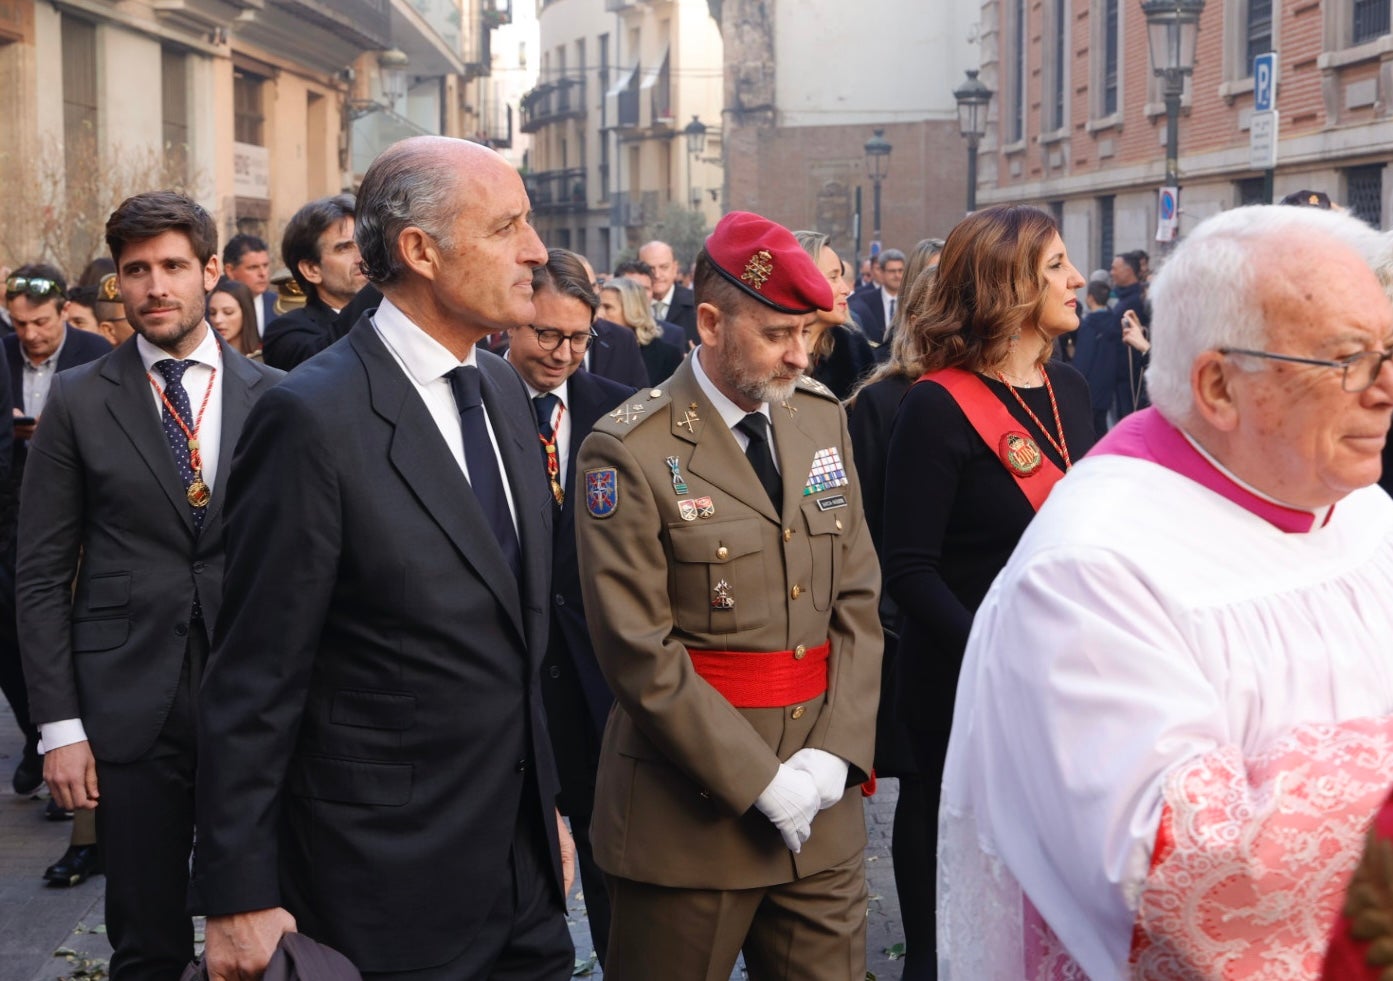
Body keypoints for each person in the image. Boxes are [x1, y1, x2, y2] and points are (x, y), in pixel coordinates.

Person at [937, 203, 1393, 979]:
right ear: (1217, 385)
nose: (1383, 389)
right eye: (1347, 359)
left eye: (1388, 350)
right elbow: (1186, 876)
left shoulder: (1360, 510)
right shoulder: (1091, 571)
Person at [192, 135, 575, 981]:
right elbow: (254, 672)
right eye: (507, 225)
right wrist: (237, 892)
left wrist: (539, 801)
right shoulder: (311, 418)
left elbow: (514, 634)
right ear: (421, 251)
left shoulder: (506, 390)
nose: (536, 250)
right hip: (378, 888)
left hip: (522, 880)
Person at [575, 210, 883, 980]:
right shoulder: (629, 448)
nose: (799, 354)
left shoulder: (817, 421)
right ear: (709, 322)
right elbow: (636, 649)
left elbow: (857, 598)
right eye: (778, 332)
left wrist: (834, 754)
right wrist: (759, 779)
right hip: (688, 822)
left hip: (822, 814)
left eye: (808, 332)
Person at [16, 191, 282, 977]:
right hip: (127, 701)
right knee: (145, 939)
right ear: (117, 285)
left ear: (210, 272)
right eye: (136, 271)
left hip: (254, 693)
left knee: (271, 921)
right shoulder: (77, 401)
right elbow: (38, 572)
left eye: (172, 267)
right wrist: (58, 726)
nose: (154, 287)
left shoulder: (279, 394)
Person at [882, 205, 1095, 978]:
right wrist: (997, 649)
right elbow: (907, 568)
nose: (1076, 279)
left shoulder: (1069, 386)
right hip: (960, 692)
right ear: (1009, 285)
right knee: (953, 935)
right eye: (1055, 267)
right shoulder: (934, 406)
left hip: (1054, 691)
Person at [504, 247, 633, 967]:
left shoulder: (616, 408)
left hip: (597, 675)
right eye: (546, 334)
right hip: (512, 674)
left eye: (578, 338)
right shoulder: (476, 401)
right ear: (513, 324)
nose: (561, 352)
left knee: (611, 858)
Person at [844, 234, 948, 981]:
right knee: (924, 791)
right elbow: (861, 536)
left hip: (990, 631)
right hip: (907, 633)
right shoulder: (877, 403)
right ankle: (923, 952)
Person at [262, 194, 367, 371]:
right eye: (344, 248)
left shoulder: (399, 317)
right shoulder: (287, 332)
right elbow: (329, 364)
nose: (362, 257)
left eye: (365, 243)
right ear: (311, 269)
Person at [793, 230, 875, 399]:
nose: (846, 290)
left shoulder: (855, 352)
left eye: (842, 277)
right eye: (834, 277)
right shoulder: (769, 355)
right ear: (801, 282)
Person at [598, 276, 683, 386]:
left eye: (607, 307)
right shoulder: (595, 349)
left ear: (632, 310)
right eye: (598, 307)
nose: (599, 314)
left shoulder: (667, 356)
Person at [1070, 278, 1120, 434]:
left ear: (1090, 298)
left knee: (1089, 430)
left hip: (1090, 386)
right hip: (1108, 384)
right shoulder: (1115, 322)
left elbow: (1083, 359)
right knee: (1102, 425)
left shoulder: (1088, 325)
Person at [638, 239, 697, 346]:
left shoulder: (696, 305)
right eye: (649, 268)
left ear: (675, 268)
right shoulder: (629, 306)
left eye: (664, 267)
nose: (657, 275)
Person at [222, 233, 276, 339]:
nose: (263, 273)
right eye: (253, 267)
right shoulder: (207, 309)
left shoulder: (279, 307)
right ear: (230, 271)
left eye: (265, 265)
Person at [848, 248, 905, 348]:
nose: (897, 275)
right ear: (882, 272)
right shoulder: (864, 301)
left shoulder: (912, 300)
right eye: (892, 271)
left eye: (900, 270)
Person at [207, 277, 261, 359]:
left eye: (228, 312)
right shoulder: (205, 356)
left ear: (245, 313)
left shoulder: (265, 356)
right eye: (213, 313)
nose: (217, 320)